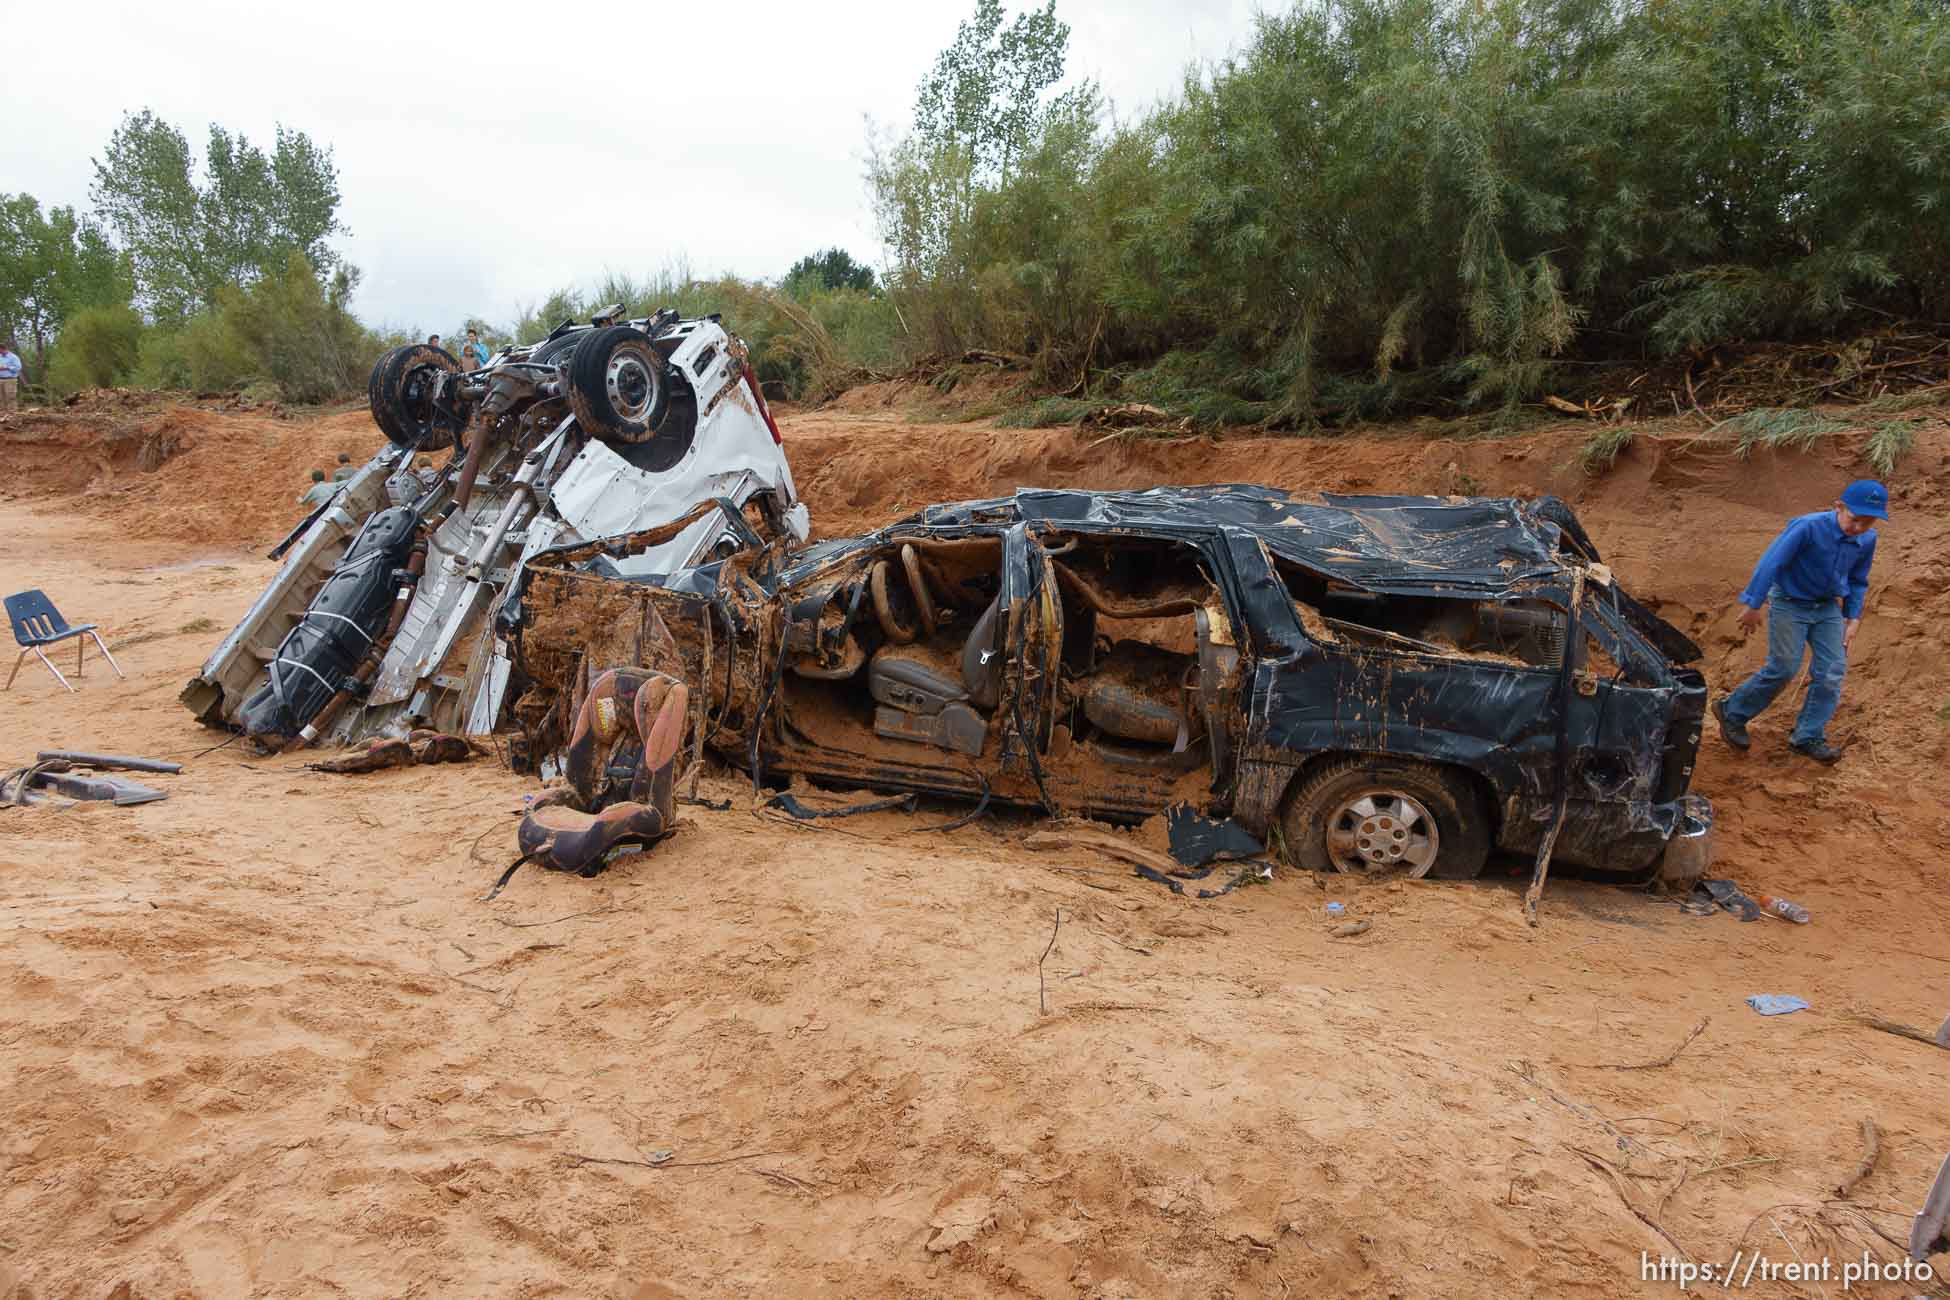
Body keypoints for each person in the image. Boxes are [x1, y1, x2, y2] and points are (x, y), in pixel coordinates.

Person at [1713, 480, 1888, 764]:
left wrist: (1853, 617)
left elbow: (1858, 580)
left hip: (1827, 608)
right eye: (1855, 520)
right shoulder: (1807, 526)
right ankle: (1732, 711)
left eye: (1867, 523)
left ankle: (1807, 736)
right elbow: (1772, 562)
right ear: (1839, 507)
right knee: (1784, 667)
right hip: (1789, 602)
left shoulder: (1867, 539)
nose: (1859, 528)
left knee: (1832, 671)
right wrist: (1754, 604)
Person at [0, 340, 21, 416]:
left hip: (10, 379)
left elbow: (18, 367)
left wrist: (6, 367)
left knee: (10, 396)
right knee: (1, 397)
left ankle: (12, 413)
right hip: (0, 379)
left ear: (3, 349)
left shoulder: (13, 357)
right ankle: (2, 413)